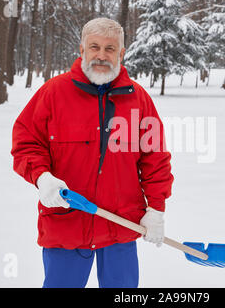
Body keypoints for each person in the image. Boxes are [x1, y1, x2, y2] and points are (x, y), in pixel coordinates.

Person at [11, 17, 174, 288]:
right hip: (67, 221)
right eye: (94, 47)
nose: (101, 55)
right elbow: (26, 143)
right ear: (82, 50)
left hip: (121, 224)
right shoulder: (54, 93)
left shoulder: (138, 100)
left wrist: (156, 209)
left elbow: (155, 159)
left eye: (110, 49)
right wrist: (42, 177)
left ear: (121, 53)